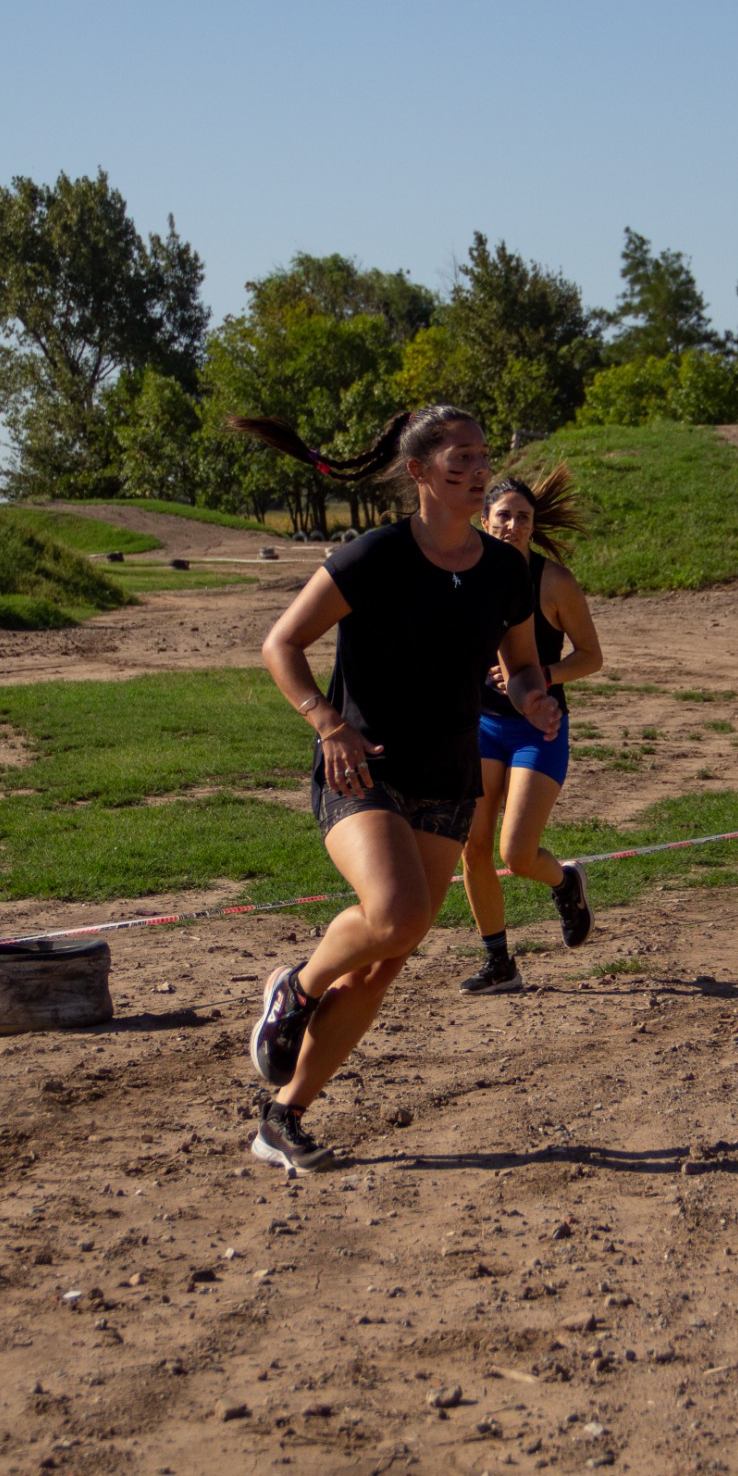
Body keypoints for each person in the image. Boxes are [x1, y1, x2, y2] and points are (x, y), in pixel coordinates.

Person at [231, 406, 562, 1173]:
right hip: (362, 769)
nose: (477, 473)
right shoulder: (374, 556)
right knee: (398, 912)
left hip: (448, 780)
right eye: (459, 461)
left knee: (386, 958)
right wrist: (325, 721)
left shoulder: (505, 570)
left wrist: (534, 695)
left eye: (483, 458)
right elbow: (280, 643)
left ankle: (283, 1119)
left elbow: (523, 661)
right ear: (418, 473)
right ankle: (297, 985)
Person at [460, 467, 603, 995]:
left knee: (515, 854)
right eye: (504, 515)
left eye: (523, 517)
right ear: (484, 519)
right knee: (472, 849)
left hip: (537, 730)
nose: (513, 525)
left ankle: (566, 884)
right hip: (479, 725)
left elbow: (592, 657)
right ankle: (500, 964)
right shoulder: (464, 575)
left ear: (532, 524)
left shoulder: (554, 582)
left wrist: (543, 674)